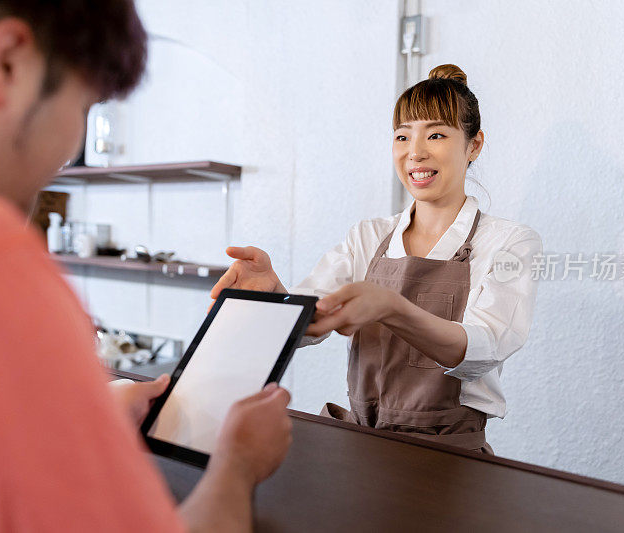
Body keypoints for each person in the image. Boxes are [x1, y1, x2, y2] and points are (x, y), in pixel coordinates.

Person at [0, 2, 291, 531]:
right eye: (83, 105)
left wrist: (72, 422)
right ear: (7, 64)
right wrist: (239, 464)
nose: (68, 153)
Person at [211, 64, 542, 454]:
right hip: (360, 445)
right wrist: (276, 299)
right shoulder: (366, 237)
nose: (415, 152)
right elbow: (314, 321)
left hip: (451, 457)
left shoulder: (509, 242)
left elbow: (484, 347)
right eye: (402, 136)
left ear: (474, 145)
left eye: (436, 134)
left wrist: (391, 308)